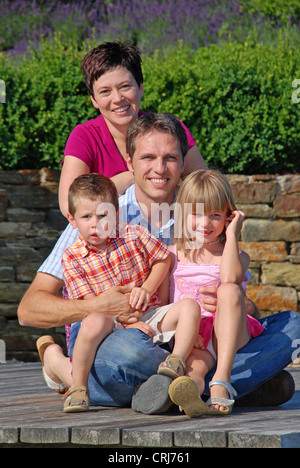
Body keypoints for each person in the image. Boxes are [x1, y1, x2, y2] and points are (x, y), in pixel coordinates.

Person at [19, 114, 299, 411]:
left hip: (185, 332)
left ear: (183, 162)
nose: (160, 169)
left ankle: (176, 387)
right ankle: (229, 383)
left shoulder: (200, 215)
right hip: (118, 335)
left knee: (291, 325)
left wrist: (241, 305)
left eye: (170, 158)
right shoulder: (99, 215)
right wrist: (95, 306)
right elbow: (28, 310)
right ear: (130, 162)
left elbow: (236, 292)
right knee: (130, 351)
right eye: (148, 157)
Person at [59, 173, 201, 412]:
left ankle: (175, 361)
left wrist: (147, 288)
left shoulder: (132, 234)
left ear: (116, 212)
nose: (95, 224)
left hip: (149, 313)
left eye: (103, 215)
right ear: (72, 220)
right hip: (108, 322)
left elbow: (163, 260)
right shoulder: (72, 257)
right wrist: (126, 327)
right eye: (86, 217)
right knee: (92, 322)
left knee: (189, 307)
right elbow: (93, 304)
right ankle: (79, 387)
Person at [157, 169, 264, 417]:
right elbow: (163, 306)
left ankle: (221, 382)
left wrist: (231, 234)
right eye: (196, 214)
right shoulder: (171, 255)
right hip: (191, 338)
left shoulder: (237, 256)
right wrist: (187, 327)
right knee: (195, 367)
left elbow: (229, 278)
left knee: (227, 290)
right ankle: (189, 394)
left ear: (228, 216)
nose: (205, 224)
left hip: (228, 334)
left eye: (215, 215)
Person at [58, 41, 206, 218]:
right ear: (94, 100)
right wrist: (129, 178)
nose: (118, 98)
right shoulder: (84, 137)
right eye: (105, 91)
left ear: (140, 88)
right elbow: (69, 205)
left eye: (125, 86)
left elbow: (206, 191)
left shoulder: (170, 130)